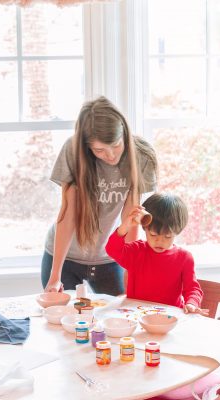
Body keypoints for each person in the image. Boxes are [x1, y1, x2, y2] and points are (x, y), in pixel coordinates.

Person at [41, 96, 158, 295]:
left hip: (109, 257)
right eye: (100, 150)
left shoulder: (141, 156)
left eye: (116, 145)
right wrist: (55, 277)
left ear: (124, 134)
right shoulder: (73, 151)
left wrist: (131, 271)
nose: (111, 155)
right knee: (63, 322)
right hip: (65, 256)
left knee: (118, 319)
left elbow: (131, 218)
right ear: (87, 146)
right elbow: (68, 215)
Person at [105, 192, 208, 314]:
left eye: (168, 236)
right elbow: (112, 249)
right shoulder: (136, 251)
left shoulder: (184, 258)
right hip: (137, 315)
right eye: (153, 234)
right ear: (145, 229)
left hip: (170, 317)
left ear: (177, 232)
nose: (159, 241)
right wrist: (126, 225)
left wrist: (191, 303)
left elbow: (192, 288)